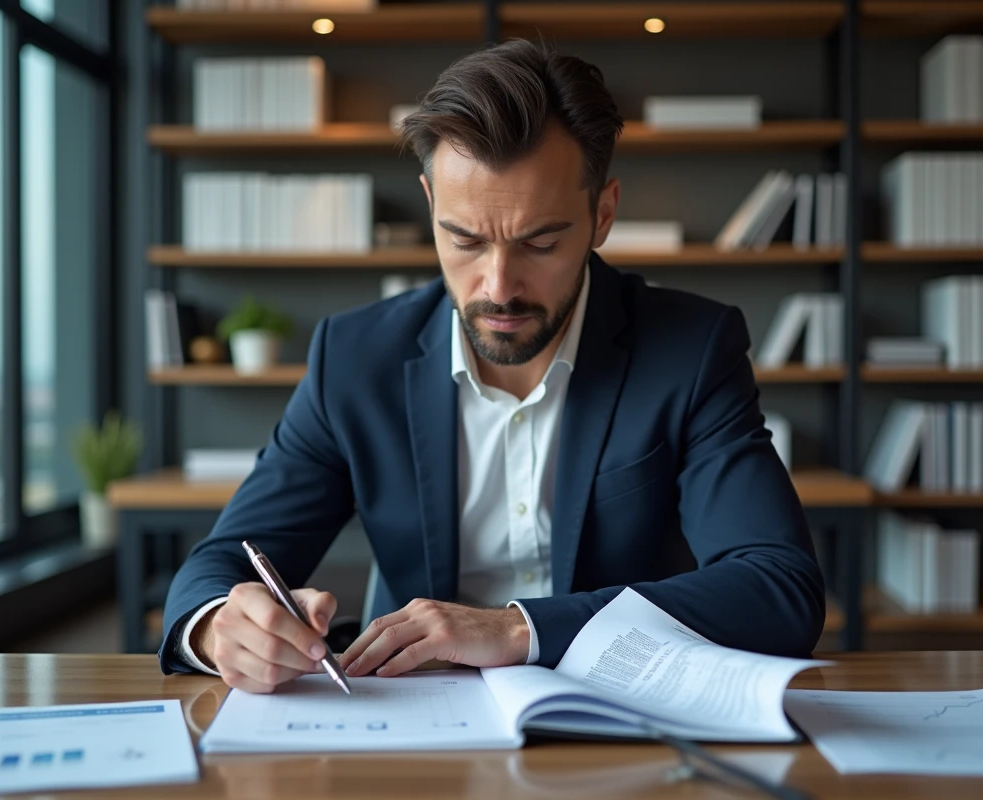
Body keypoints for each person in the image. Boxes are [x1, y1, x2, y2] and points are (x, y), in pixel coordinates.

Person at [159, 38, 825, 693]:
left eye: (541, 242)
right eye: (465, 239)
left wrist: (518, 630)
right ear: (430, 204)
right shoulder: (354, 360)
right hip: (417, 725)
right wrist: (219, 626)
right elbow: (223, 560)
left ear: (603, 214)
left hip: (619, 727)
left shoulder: (690, 348)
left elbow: (777, 587)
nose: (498, 286)